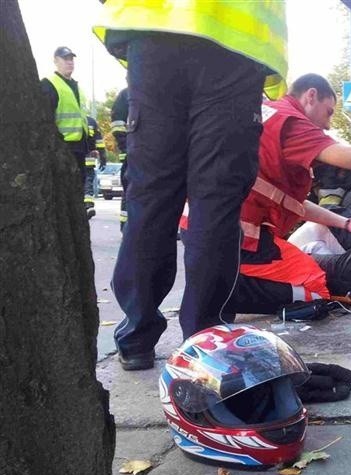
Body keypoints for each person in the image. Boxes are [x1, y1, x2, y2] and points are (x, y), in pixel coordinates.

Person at [93, 1, 288, 371]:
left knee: (150, 196)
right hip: (235, 43)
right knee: (215, 202)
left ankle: (137, 335)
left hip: (151, 30)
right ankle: (205, 342)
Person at [188, 74, 351, 317]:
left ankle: (214, 282)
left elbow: (289, 203)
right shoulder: (290, 122)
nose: (328, 124)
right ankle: (220, 289)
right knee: (314, 288)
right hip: (239, 237)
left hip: (208, 226)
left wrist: (348, 222)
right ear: (310, 96)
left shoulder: (265, 113)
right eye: (329, 112)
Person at [40, 46, 88, 179]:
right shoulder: (48, 84)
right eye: (65, 58)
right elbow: (44, 119)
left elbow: (82, 119)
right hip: (62, 148)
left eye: (71, 59)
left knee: (78, 188)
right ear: (55, 61)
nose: (70, 62)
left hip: (79, 148)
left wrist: (91, 144)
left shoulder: (77, 87)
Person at [110, 86, 129, 231]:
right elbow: (117, 125)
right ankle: (127, 227)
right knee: (130, 190)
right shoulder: (126, 95)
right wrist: (127, 146)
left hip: (155, 155)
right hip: (133, 156)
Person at [84, 115, 106, 214]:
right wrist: (103, 156)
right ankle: (88, 205)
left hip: (71, 157)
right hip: (88, 159)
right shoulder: (90, 121)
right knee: (88, 182)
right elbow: (99, 142)